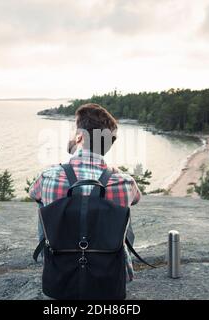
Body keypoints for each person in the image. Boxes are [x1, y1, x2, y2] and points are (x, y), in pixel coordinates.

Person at [29, 103, 141, 281]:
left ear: (80, 137)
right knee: (123, 209)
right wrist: (114, 173)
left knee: (43, 203)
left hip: (59, 279)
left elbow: (32, 194)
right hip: (111, 279)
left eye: (74, 130)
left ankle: (53, 262)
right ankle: (119, 260)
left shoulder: (48, 177)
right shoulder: (125, 181)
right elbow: (136, 199)